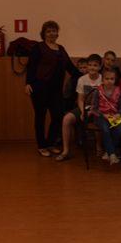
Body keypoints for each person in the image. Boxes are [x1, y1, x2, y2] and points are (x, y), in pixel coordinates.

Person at [24, 21, 81, 156]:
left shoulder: (61, 49)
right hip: (39, 88)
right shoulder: (38, 48)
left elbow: (70, 68)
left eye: (54, 31)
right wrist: (28, 83)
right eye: (49, 31)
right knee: (40, 117)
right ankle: (41, 146)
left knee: (57, 116)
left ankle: (50, 143)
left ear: (57, 33)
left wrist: (85, 77)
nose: (52, 33)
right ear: (44, 33)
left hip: (56, 90)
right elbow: (31, 66)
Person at [56, 54, 102, 161]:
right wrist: (82, 112)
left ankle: (99, 146)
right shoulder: (82, 79)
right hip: (84, 107)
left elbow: (104, 100)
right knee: (66, 119)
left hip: (98, 108)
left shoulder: (102, 79)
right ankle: (66, 151)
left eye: (95, 65)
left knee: (98, 120)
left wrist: (94, 110)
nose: (92, 68)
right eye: (90, 65)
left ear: (99, 67)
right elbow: (80, 99)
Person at [90, 67, 121, 165]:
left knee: (120, 129)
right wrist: (103, 115)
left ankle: (109, 151)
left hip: (114, 116)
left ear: (115, 80)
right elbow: (94, 108)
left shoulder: (118, 91)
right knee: (105, 129)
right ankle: (112, 155)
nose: (109, 81)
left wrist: (118, 114)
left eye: (112, 79)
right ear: (102, 79)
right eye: (107, 79)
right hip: (100, 116)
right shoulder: (98, 91)